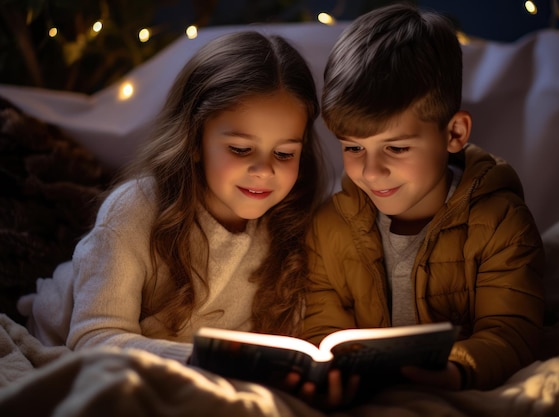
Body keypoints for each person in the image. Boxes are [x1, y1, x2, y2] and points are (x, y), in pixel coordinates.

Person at [17, 30, 328, 364]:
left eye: (284, 154)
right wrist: (207, 362)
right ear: (194, 141)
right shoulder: (136, 209)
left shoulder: (294, 223)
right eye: (241, 149)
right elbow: (93, 337)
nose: (264, 170)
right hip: (85, 344)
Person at [302, 3, 545, 393]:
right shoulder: (328, 227)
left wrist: (455, 370)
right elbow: (321, 328)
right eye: (353, 148)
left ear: (454, 134)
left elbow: (511, 333)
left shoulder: (500, 221)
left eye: (396, 148)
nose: (371, 171)